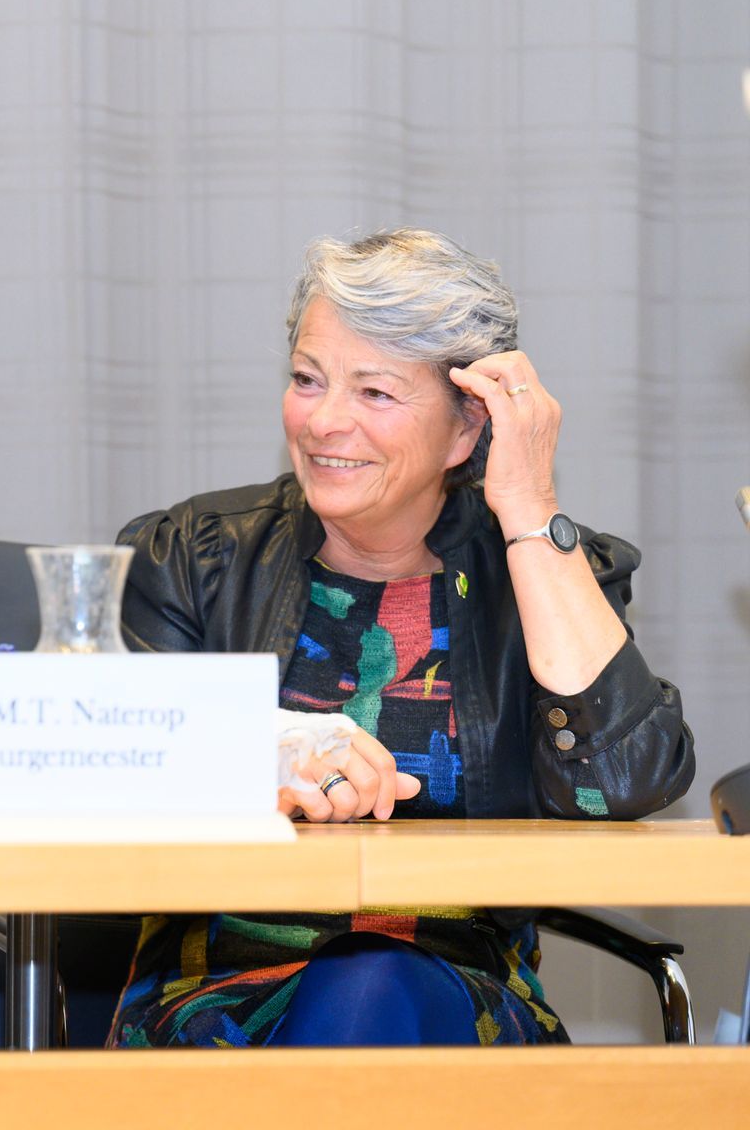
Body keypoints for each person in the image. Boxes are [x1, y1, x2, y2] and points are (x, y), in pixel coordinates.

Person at [109, 229, 694, 1047]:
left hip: (456, 991)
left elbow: (621, 783)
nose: (325, 423)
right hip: (220, 992)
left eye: (375, 394)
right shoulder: (194, 555)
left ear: (466, 431)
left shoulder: (543, 573)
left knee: (372, 980)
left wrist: (529, 512)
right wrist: (263, 761)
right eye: (308, 381)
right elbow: (96, 766)